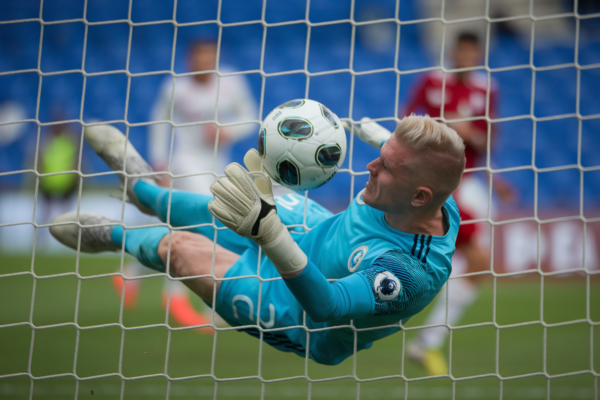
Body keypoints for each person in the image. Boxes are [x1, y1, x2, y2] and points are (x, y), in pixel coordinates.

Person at [50, 114, 465, 366]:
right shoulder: (429, 201)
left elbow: (326, 306)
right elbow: (434, 166)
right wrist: (382, 138)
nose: (371, 166)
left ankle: (113, 235)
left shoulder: (406, 274)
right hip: (314, 233)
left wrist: (269, 235)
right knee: (222, 200)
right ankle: (142, 191)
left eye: (387, 165)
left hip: (295, 311)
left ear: (418, 196)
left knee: (176, 249)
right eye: (382, 153)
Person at [113, 38, 259, 331]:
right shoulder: (175, 87)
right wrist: (160, 164)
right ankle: (176, 296)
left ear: (216, 58)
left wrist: (227, 130)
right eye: (199, 57)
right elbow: (159, 122)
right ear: (190, 59)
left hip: (218, 166)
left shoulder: (231, 83)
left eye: (210, 57)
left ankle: (129, 274)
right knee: (203, 222)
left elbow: (251, 118)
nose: (204, 62)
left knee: (178, 227)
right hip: (184, 164)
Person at [402, 32, 514, 375]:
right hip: (439, 185)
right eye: (461, 50)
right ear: (453, 52)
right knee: (474, 260)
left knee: (472, 262)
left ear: (478, 54)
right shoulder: (432, 82)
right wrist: (444, 126)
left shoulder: (486, 88)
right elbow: (406, 125)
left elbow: (488, 139)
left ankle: (425, 340)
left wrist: (495, 177)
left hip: (470, 184)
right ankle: (424, 340)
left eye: (472, 51)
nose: (466, 56)